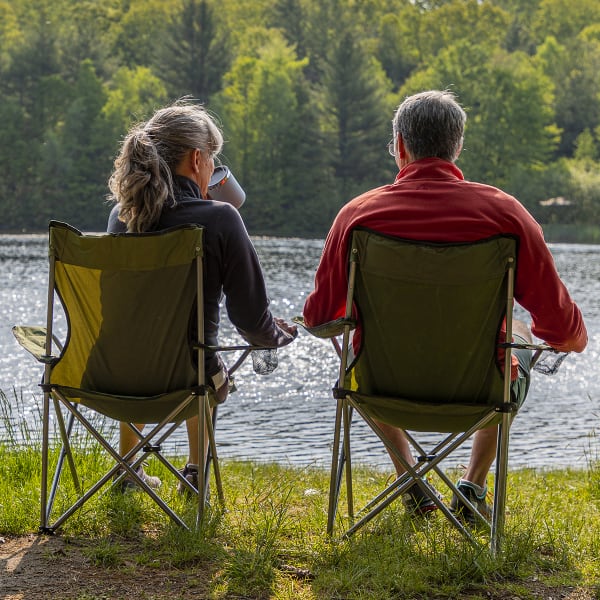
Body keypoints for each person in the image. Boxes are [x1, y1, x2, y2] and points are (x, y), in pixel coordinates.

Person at [303, 90, 587, 522]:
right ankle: (471, 485)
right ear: (457, 146)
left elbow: (319, 319)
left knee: (360, 351)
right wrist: (565, 337)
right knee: (517, 336)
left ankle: (410, 476)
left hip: (382, 390)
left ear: (400, 146)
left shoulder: (357, 216)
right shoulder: (506, 215)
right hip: (480, 392)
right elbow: (564, 330)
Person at [107, 100, 297, 492]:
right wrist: (277, 336)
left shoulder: (121, 218)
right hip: (188, 380)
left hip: (112, 377)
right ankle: (195, 474)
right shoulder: (221, 218)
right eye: (213, 158)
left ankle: (128, 469)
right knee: (201, 355)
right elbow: (250, 320)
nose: (214, 168)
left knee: (153, 342)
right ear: (196, 159)